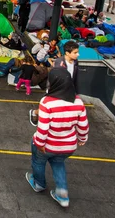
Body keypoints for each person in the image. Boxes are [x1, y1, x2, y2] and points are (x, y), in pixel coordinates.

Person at [26, 69, 89, 208]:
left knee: (38, 162)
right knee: (58, 164)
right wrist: (82, 138)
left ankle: (39, 184)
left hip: (48, 144)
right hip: (68, 146)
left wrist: (39, 143)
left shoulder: (47, 102)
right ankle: (62, 195)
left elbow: (43, 128)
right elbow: (83, 125)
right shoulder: (78, 101)